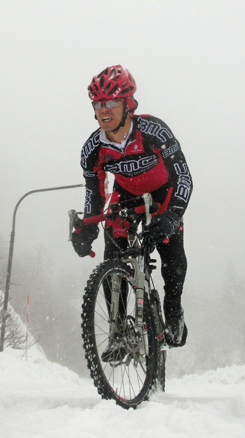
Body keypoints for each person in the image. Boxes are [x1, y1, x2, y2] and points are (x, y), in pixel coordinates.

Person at [71, 65, 192, 353]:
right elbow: (95, 193)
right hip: (126, 197)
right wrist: (87, 227)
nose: (104, 110)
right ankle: (118, 332)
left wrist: (173, 215)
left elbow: (183, 178)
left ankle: (172, 310)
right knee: (112, 256)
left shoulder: (154, 131)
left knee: (173, 261)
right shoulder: (92, 149)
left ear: (128, 104)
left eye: (111, 102)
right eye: (98, 104)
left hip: (164, 194)